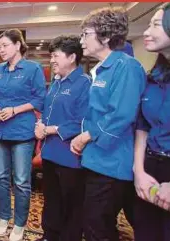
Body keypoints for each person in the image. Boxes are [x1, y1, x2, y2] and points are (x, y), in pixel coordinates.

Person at [69, 7, 146, 241]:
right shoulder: (101, 70)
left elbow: (120, 116)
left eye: (86, 34)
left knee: (97, 226)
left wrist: (84, 137)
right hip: (95, 159)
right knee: (92, 223)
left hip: (112, 162)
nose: (81, 40)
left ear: (105, 35)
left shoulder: (126, 66)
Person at [0, 28, 46, 240]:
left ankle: (20, 224)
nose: (0, 49)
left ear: (18, 45)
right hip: (0, 132)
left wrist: (14, 109)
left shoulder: (33, 69)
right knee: (2, 178)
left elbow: (39, 99)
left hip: (22, 133)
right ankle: (4, 217)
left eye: (5, 45)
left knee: (21, 181)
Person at [34, 35, 90, 241]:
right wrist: (39, 126)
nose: (52, 60)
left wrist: (49, 129)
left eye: (56, 56)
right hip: (49, 152)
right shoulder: (56, 83)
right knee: (51, 200)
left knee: (72, 205)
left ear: (72, 57)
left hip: (70, 156)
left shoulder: (84, 83)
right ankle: (49, 235)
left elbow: (83, 121)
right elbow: (46, 112)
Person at [133, 3, 170, 240]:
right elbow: (143, 127)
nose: (146, 32)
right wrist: (139, 170)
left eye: (155, 25)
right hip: (150, 167)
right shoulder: (153, 78)